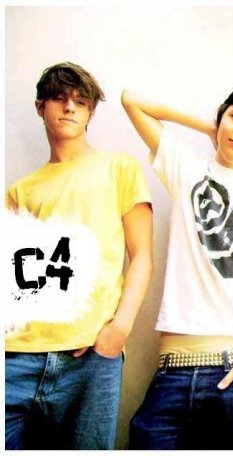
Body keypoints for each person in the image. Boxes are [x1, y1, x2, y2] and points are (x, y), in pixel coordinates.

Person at [121, 80, 233, 450]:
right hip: (172, 369)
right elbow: (131, 99)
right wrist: (208, 127)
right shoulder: (186, 169)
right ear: (221, 117)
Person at [4, 62, 153, 450]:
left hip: (89, 357)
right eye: (59, 98)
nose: (69, 107)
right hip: (16, 356)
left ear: (90, 112)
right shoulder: (20, 190)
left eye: (80, 101)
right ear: (41, 107)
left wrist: (119, 329)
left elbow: (142, 256)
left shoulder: (119, 168)